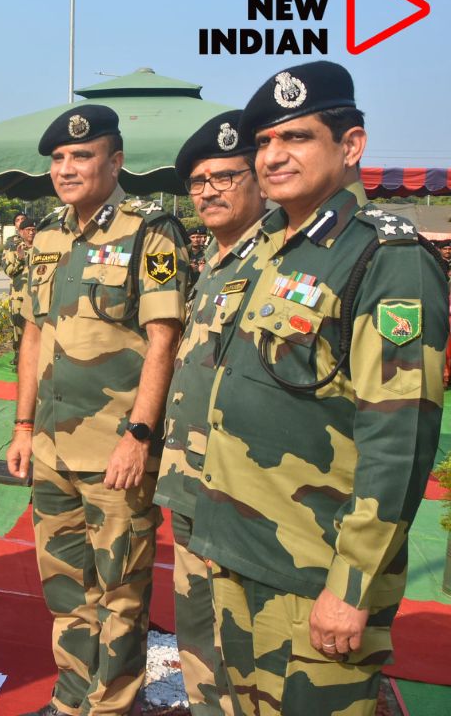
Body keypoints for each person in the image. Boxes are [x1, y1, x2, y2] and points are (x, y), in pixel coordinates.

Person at [190, 61, 448, 715]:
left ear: (351, 145)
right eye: (265, 142)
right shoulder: (269, 250)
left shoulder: (385, 259)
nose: (274, 156)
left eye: (297, 137)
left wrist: (352, 587)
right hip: (241, 558)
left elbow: (399, 440)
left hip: (313, 579)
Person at [7, 104, 188, 716]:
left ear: (115, 163)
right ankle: (71, 698)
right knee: (66, 589)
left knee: (120, 592)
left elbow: (164, 338)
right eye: (58, 158)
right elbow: (34, 333)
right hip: (53, 451)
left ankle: (113, 707)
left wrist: (139, 434)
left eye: (81, 156)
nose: (66, 168)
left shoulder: (149, 232)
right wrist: (24, 425)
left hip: (115, 451)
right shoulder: (49, 236)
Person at [154, 111, 266, 716]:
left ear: (258, 180)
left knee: (244, 653)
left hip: (241, 498)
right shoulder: (218, 264)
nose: (209, 192)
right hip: (193, 487)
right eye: (199, 182)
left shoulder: (275, 264)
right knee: (198, 640)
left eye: (226, 176)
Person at [4, 216, 37, 363]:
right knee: (17, 326)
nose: (31, 233)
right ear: (21, 232)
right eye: (28, 230)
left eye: (33, 230)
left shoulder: (41, 248)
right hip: (18, 294)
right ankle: (18, 355)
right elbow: (9, 271)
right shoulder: (15, 249)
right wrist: (20, 258)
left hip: (35, 294)